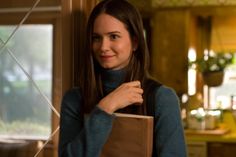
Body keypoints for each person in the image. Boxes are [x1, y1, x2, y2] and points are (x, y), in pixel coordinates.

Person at [58, 0, 187, 156]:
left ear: (135, 42)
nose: (103, 47)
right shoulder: (74, 99)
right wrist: (105, 108)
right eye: (96, 38)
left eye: (113, 36)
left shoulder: (162, 98)